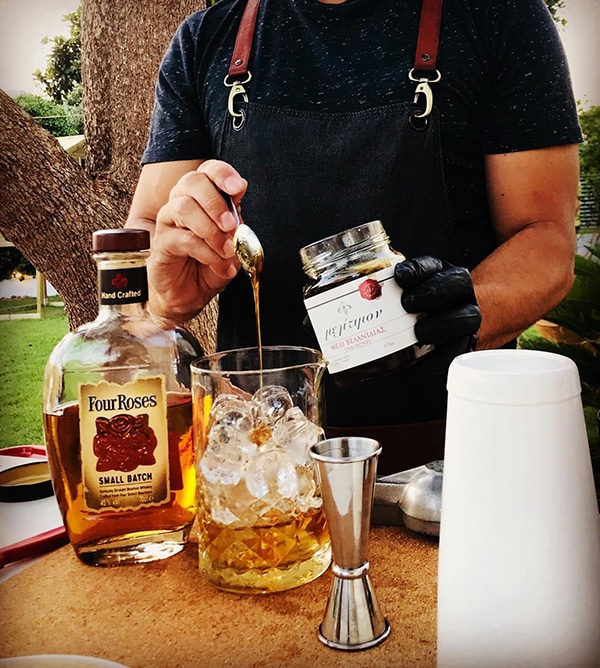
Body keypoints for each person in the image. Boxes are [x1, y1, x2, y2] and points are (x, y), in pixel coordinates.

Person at [126, 0, 582, 475]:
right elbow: (148, 230)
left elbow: (545, 238)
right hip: (263, 464)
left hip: (457, 452)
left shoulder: (501, 16)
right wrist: (162, 294)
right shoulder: (206, 40)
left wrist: (458, 317)